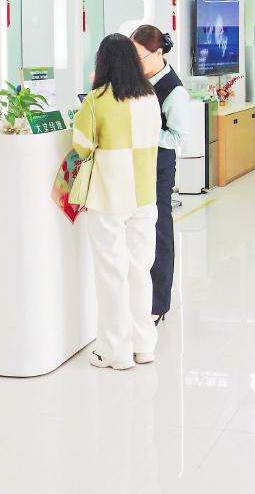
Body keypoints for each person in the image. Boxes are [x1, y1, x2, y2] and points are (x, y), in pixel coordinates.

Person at [73, 34, 161, 370]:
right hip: (144, 194)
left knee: (112, 273)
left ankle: (116, 351)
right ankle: (144, 345)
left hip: (110, 195)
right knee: (140, 271)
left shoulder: (96, 101)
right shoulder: (149, 97)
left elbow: (81, 146)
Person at [131, 24, 190, 322]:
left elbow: (177, 137)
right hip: (135, 161)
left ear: (158, 53)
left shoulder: (174, 91)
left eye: (140, 57)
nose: (135, 63)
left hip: (159, 164)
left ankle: (158, 303)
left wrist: (142, 132)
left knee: (159, 230)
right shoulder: (138, 78)